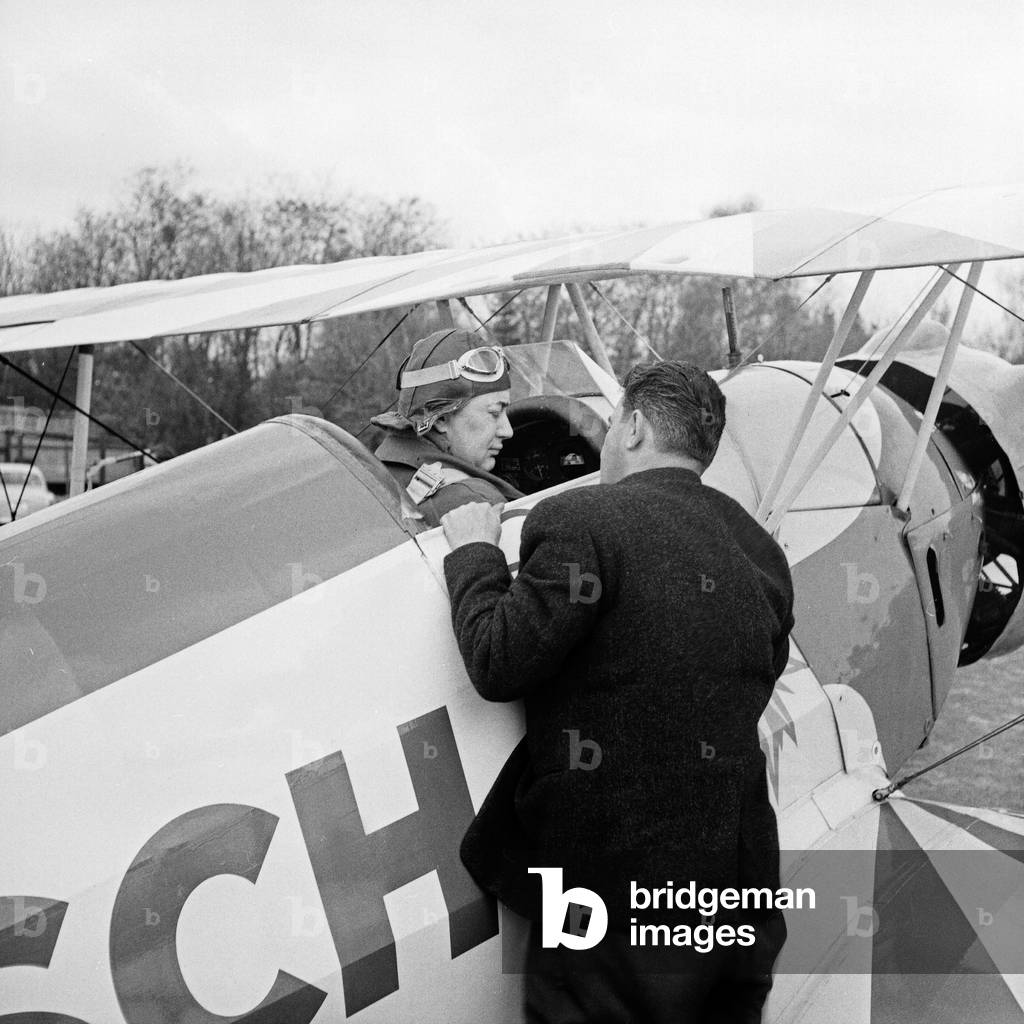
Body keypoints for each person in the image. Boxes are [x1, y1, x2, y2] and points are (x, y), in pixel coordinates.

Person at [440, 361, 794, 1023]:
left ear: (632, 427)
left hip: (608, 897)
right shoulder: (760, 552)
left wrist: (474, 555)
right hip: (738, 891)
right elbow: (743, 682)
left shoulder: (580, 521)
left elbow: (498, 660)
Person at [370, 328, 523, 527]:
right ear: (440, 418)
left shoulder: (381, 467)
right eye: (494, 412)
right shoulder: (476, 504)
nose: (508, 430)